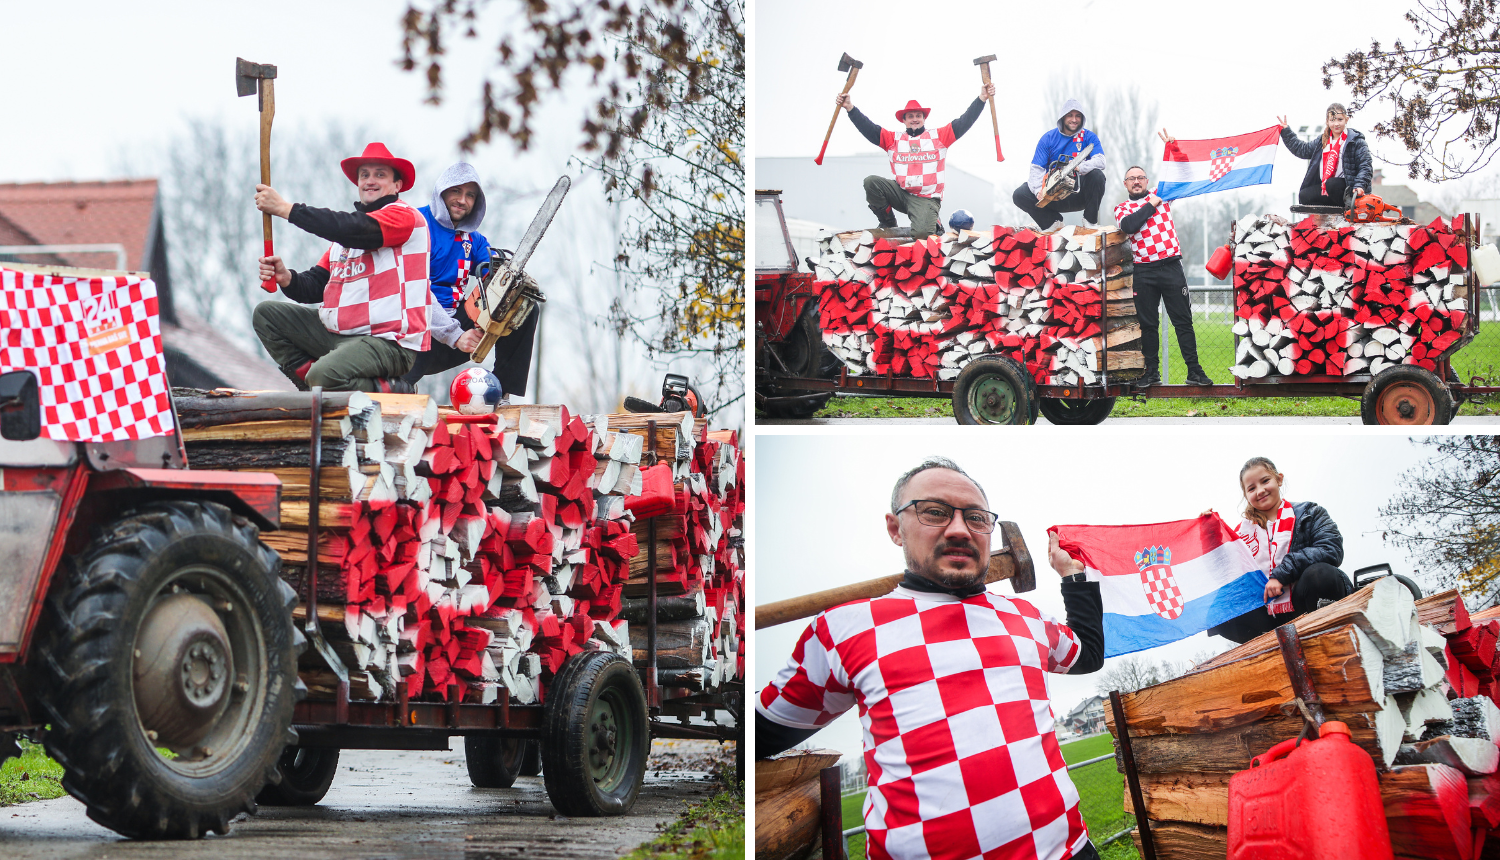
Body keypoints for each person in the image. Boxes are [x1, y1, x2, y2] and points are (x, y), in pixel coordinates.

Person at [757, 457, 1106, 860]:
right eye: (935, 512)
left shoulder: (1024, 617)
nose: (959, 529)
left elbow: (1088, 654)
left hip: (1069, 851)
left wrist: (1072, 574)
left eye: (976, 518)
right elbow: (764, 734)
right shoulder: (843, 629)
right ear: (895, 528)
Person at [252, 142, 477, 393]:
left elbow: (356, 229)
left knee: (323, 374)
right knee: (266, 315)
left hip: (390, 343)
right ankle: (313, 390)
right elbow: (316, 285)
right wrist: (287, 278)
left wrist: (285, 209)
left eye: (380, 174)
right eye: (364, 175)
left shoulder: (405, 217)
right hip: (342, 337)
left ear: (397, 185)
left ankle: (391, 388)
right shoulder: (345, 240)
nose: (370, 180)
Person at [400, 163, 538, 397]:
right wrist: (454, 335)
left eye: (470, 195)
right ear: (442, 191)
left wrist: (508, 281)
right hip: (414, 332)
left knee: (521, 306)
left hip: (459, 329)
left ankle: (504, 393)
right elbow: (414, 293)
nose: (462, 200)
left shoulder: (474, 240)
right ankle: (400, 389)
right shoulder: (416, 224)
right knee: (394, 392)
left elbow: (491, 272)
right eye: (456, 191)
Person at [1206, 456, 1354, 644]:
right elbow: (1224, 574)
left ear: (1279, 479)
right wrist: (1209, 536)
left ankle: (1329, 635)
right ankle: (1269, 648)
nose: (1260, 491)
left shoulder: (1310, 513)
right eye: (1251, 488)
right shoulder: (1240, 535)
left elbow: (1330, 548)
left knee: (1320, 574)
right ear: (1246, 495)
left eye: (1265, 481)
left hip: (1307, 602)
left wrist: (1282, 574)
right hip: (1268, 618)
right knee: (1219, 607)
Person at [834, 83, 997, 238]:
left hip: (926, 199)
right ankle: (887, 221)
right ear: (903, 120)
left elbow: (964, 121)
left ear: (924, 118)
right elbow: (869, 128)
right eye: (910, 116)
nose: (914, 119)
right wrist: (850, 108)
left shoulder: (939, 137)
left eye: (918, 116)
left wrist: (981, 98)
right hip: (901, 193)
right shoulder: (893, 140)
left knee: (922, 235)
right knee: (871, 182)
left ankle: (934, 223)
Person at [1114, 149, 1214, 387]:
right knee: (1148, 325)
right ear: (1126, 184)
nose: (1136, 181)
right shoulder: (1122, 209)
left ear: (1147, 181)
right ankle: (1151, 373)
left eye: (1140, 177)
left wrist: (1176, 148)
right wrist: (1151, 205)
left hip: (1171, 267)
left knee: (1183, 321)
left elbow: (1186, 173)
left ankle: (1194, 371)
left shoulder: (1163, 194)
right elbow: (1129, 226)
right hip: (1143, 271)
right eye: (1132, 179)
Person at [1013, 100, 1107, 230]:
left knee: (1097, 175)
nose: (1074, 120)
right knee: (1019, 194)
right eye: (1070, 115)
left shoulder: (1089, 136)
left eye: (1078, 116)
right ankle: (1052, 223)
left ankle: (1090, 222)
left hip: (1078, 194)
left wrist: (1081, 167)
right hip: (1053, 196)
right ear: (1063, 117)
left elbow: (1101, 161)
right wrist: (1037, 191)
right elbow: (1036, 169)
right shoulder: (1048, 138)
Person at [1278, 103, 1373, 208]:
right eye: (1332, 120)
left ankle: (1349, 208)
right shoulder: (1322, 140)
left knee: (1332, 184)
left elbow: (1366, 166)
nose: (1336, 124)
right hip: (1328, 188)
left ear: (1346, 119)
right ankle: (1330, 210)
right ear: (1327, 122)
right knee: (1304, 195)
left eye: (1340, 119)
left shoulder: (1356, 141)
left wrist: (1359, 185)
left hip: (1349, 188)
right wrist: (1286, 131)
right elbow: (1303, 150)